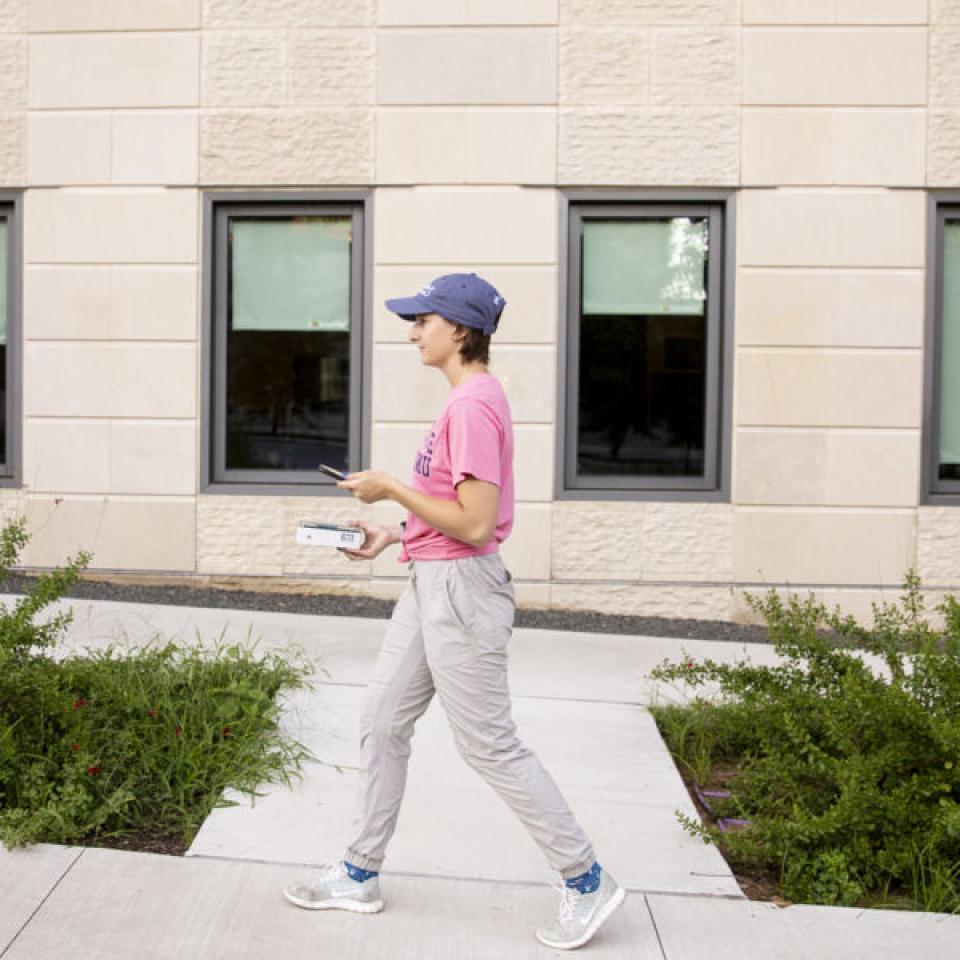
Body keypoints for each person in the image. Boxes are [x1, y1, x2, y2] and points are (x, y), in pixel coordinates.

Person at [283, 273, 625, 950]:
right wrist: (393, 533)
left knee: (489, 745)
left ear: (460, 331)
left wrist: (390, 490)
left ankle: (586, 879)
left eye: (423, 321)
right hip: (431, 583)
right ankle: (358, 872)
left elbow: (474, 523)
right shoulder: (469, 399)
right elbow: (452, 518)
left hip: (461, 592)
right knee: (381, 719)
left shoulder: (471, 406)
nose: (413, 332)